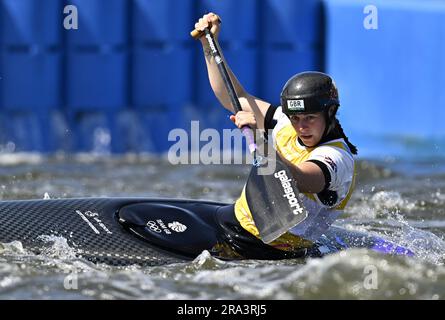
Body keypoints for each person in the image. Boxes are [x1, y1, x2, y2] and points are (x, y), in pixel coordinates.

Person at [194, 13, 358, 257]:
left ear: (330, 113)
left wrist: (261, 139)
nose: (301, 126)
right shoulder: (286, 122)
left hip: (268, 249)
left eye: (310, 118)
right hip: (233, 220)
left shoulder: (337, 158)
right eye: (295, 118)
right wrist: (209, 46)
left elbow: (303, 179)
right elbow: (235, 99)